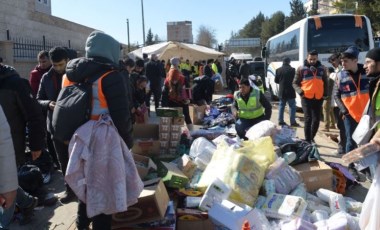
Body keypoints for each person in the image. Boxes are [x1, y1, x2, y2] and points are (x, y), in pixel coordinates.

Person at [62, 30, 135, 230]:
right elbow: (121, 116)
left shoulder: (70, 75)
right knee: (104, 187)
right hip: (103, 140)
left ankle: (81, 223)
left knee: (86, 183)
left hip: (78, 138)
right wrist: (127, 143)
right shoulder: (111, 76)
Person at [0, 62, 42, 228]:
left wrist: (36, 144)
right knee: (6, 180)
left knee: (6, 181)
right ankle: (28, 202)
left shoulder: (15, 83)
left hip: (11, 145)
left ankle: (5, 223)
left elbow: (34, 114)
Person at [36, 47, 74, 203]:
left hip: (74, 126)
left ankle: (84, 191)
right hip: (55, 126)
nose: (58, 68)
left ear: (67, 61)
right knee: (63, 161)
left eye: (61, 64)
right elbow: (38, 99)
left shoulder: (75, 75)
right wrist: (47, 103)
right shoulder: (46, 77)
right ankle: (70, 191)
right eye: (55, 65)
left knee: (79, 160)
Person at [334, 46, 369, 181]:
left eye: (346, 61)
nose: (343, 64)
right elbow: (336, 95)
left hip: (366, 114)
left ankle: (364, 166)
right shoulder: (340, 75)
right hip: (350, 115)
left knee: (366, 142)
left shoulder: (367, 72)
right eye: (342, 61)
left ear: (355, 60)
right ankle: (351, 166)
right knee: (350, 141)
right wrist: (344, 111)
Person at [293, 50, 328, 143]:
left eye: (314, 59)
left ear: (317, 58)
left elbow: (326, 82)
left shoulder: (322, 68)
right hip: (306, 97)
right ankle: (307, 140)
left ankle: (312, 137)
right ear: (307, 58)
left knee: (316, 120)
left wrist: (325, 94)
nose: (312, 61)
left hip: (318, 97)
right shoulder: (301, 69)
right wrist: (300, 92)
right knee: (308, 118)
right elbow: (295, 83)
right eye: (310, 59)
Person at [161, 57, 192, 124]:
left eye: (176, 80)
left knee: (186, 116)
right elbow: (164, 95)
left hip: (182, 101)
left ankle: (191, 131)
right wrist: (164, 107)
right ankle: (173, 130)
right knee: (172, 118)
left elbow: (188, 90)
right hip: (171, 101)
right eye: (173, 80)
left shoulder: (183, 79)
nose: (174, 82)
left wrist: (189, 100)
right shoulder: (167, 82)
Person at [328, 53, 346, 155]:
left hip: (341, 104)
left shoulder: (343, 72)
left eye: (334, 61)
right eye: (332, 62)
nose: (333, 64)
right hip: (335, 104)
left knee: (343, 127)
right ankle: (343, 147)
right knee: (340, 126)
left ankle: (342, 148)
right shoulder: (336, 72)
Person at [275, 57, 299, 127]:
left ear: (283, 62)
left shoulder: (278, 70)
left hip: (282, 91)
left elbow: (276, 81)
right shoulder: (293, 70)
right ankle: (293, 122)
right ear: (289, 62)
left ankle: (280, 121)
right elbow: (295, 80)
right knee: (292, 106)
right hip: (291, 91)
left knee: (281, 106)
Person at [322, 67, 336, 132]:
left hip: (327, 97)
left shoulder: (328, 79)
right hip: (331, 97)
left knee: (325, 111)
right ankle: (333, 124)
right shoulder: (331, 78)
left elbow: (327, 90)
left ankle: (326, 127)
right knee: (330, 111)